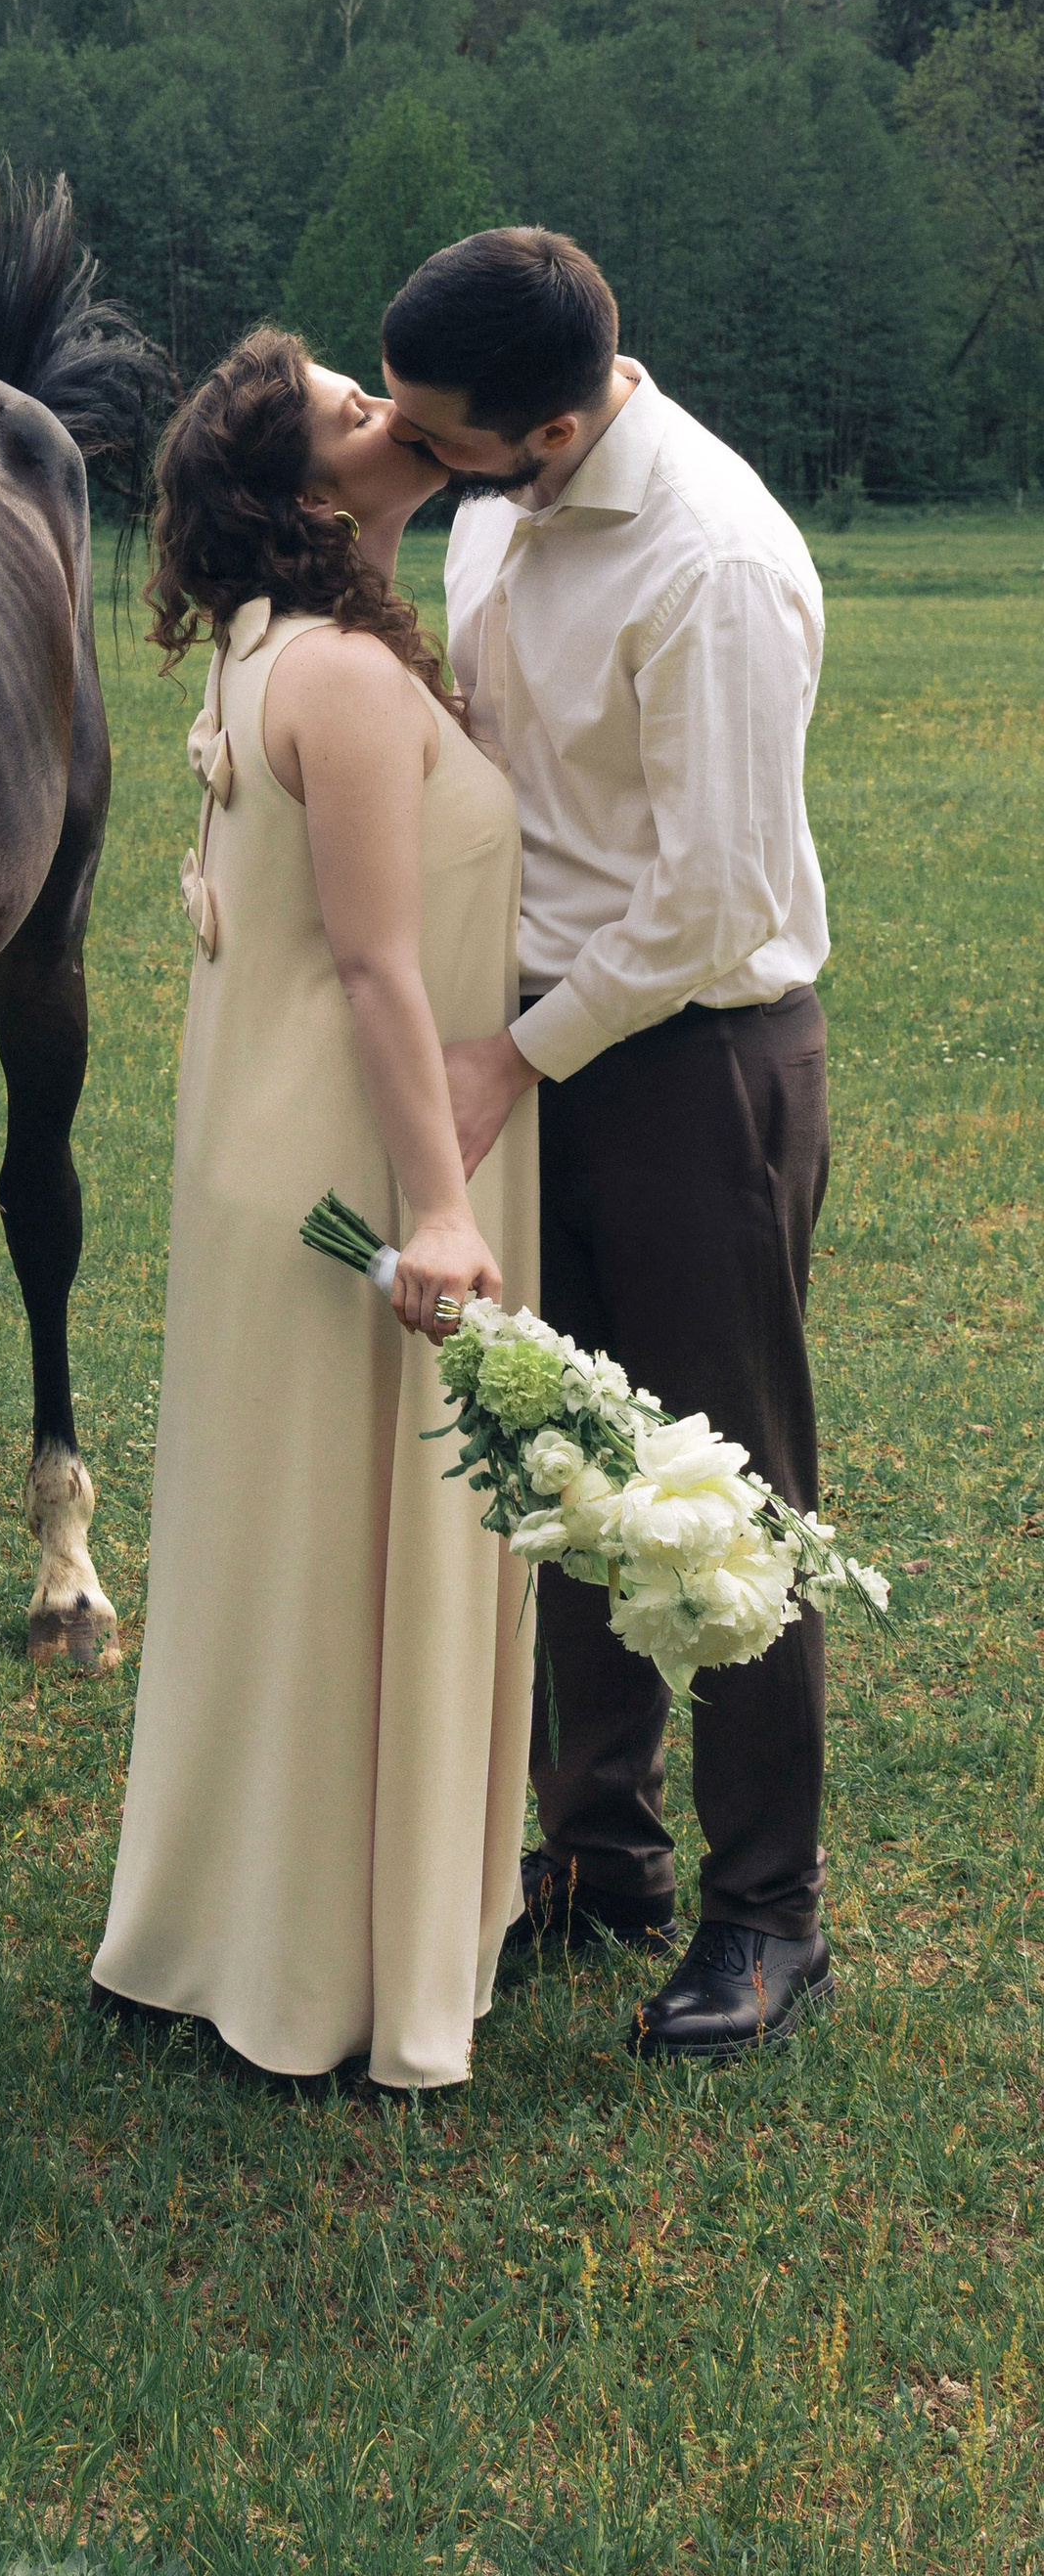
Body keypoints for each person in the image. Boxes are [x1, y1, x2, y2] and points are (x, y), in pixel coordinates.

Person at [380, 228, 832, 2064]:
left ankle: (765, 1917)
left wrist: (514, 1059)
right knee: (555, 1454)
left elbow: (712, 901)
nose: (416, 462)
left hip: (695, 1060)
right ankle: (597, 1849)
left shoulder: (710, 563)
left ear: (552, 427)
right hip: (539, 1043)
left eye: (440, 440)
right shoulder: (499, 508)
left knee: (727, 1495)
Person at [90, 328, 534, 2094]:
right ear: (300, 494)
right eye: (354, 412)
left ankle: (240, 1928)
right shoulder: (342, 678)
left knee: (283, 1561)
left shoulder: (273, 651)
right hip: (357, 1161)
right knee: (336, 1563)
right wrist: (441, 1208)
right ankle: (326, 1968)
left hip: (263, 1150)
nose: (391, 415)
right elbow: (372, 964)